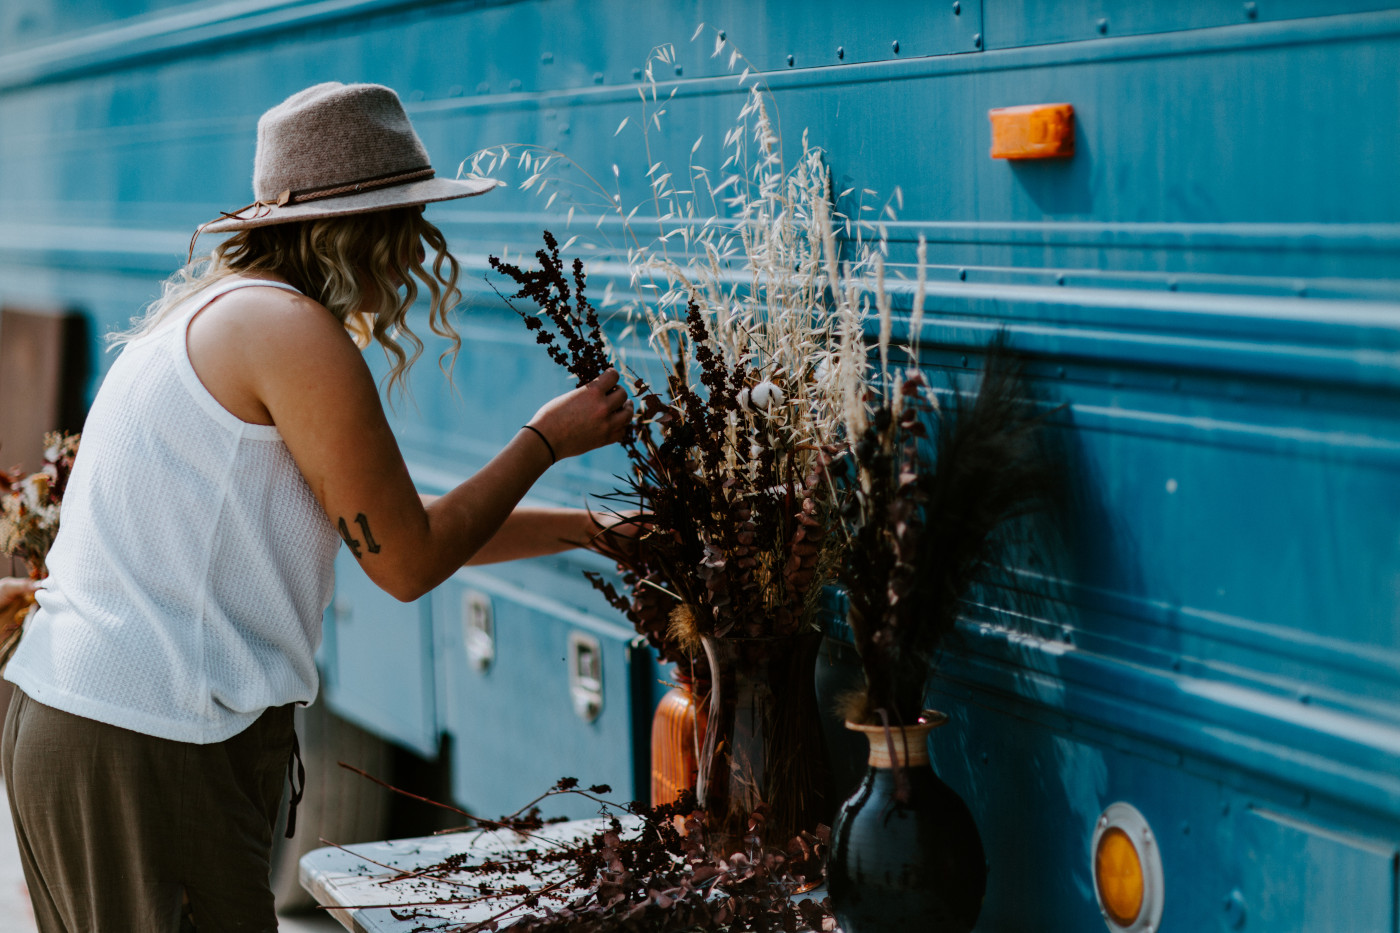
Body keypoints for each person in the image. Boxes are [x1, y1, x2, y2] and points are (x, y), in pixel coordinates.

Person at [0, 82, 633, 932]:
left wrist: (591, 530)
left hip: (91, 726)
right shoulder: (292, 331)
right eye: (409, 221)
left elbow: (394, 523)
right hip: (148, 746)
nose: (420, 252)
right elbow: (407, 562)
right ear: (366, 228)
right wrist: (544, 441)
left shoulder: (217, 313)